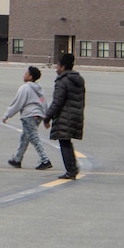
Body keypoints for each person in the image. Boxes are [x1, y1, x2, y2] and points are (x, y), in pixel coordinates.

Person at [1, 65, 53, 170]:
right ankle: (17, 159)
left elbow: (18, 103)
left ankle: (45, 159)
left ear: (30, 77)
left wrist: (7, 115)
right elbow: (43, 102)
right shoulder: (39, 88)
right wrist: (45, 116)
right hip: (38, 115)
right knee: (25, 137)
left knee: (34, 137)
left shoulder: (25, 88)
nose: (24, 75)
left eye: (26, 73)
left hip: (29, 115)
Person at [44, 51, 85, 179]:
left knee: (64, 143)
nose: (56, 69)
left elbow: (57, 101)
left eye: (57, 67)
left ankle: (70, 171)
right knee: (67, 142)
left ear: (63, 67)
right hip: (75, 115)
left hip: (65, 116)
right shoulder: (78, 79)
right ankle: (73, 168)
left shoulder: (62, 81)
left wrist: (47, 117)